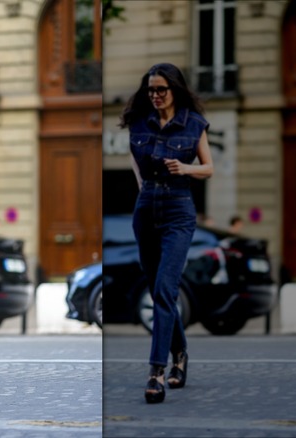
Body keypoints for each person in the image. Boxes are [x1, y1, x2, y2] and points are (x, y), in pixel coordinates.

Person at [119, 63, 213, 404]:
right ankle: (181, 353)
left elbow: (209, 167)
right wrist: (145, 189)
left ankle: (156, 372)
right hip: (146, 209)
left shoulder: (194, 124)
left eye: (161, 90)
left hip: (178, 210)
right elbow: (135, 163)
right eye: (151, 90)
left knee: (164, 289)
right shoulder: (139, 123)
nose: (156, 96)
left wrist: (186, 168)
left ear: (175, 90)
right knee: (159, 289)